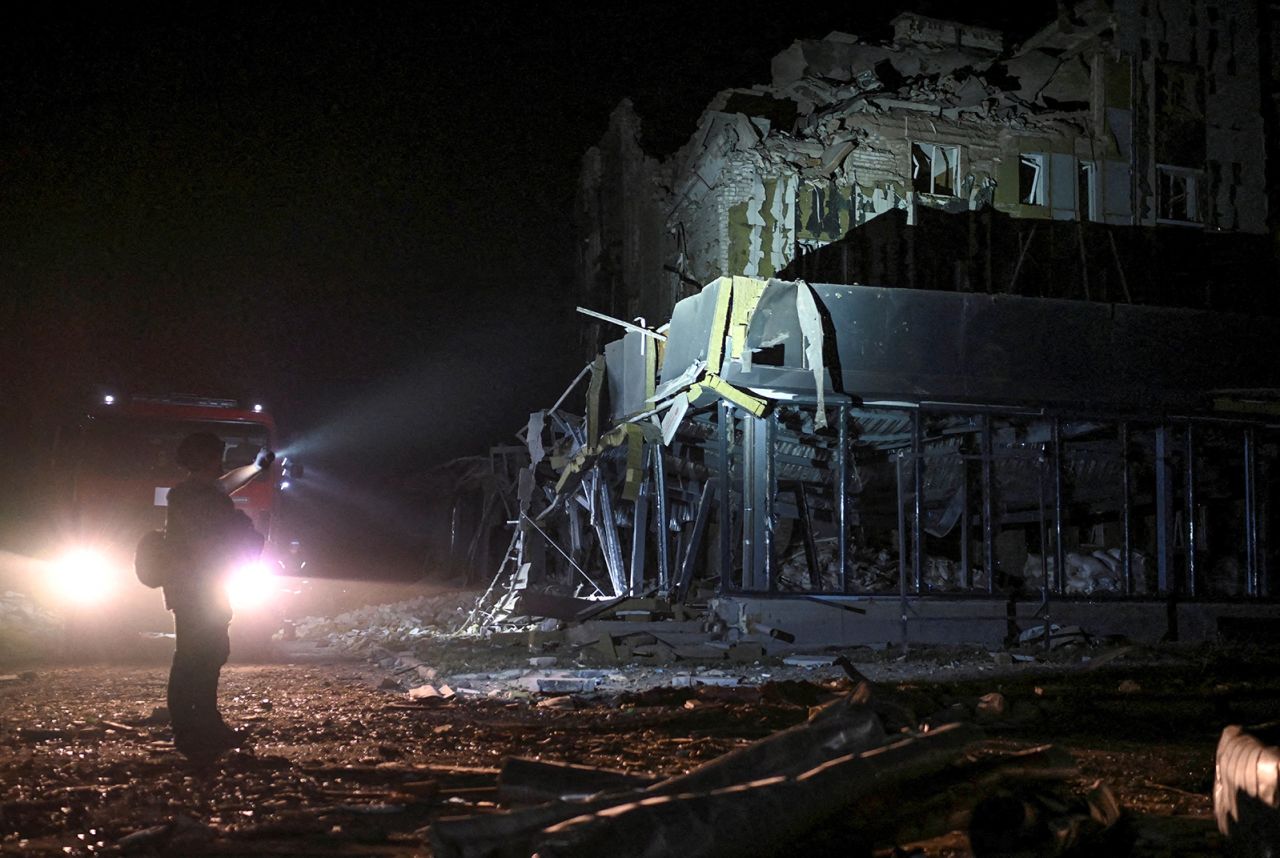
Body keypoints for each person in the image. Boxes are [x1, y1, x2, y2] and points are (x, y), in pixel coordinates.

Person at [163, 431, 264, 758]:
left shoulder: (192, 491)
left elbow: (226, 483)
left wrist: (257, 466)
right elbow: (214, 536)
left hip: (197, 587)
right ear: (206, 458)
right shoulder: (197, 497)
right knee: (199, 657)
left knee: (202, 655)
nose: (220, 460)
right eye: (216, 455)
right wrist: (243, 532)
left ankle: (201, 725)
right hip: (199, 588)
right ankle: (193, 730)